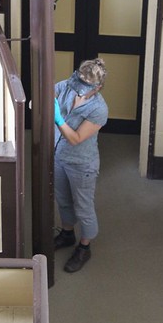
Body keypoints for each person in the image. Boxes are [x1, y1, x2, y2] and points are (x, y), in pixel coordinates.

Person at [54, 58, 108, 273]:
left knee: (83, 207)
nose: (77, 90)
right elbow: (51, 90)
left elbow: (75, 138)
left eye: (84, 88)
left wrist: (57, 118)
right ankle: (67, 234)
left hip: (81, 164)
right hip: (59, 155)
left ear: (97, 88)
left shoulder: (99, 110)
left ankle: (84, 247)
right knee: (63, 200)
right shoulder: (69, 84)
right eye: (78, 82)